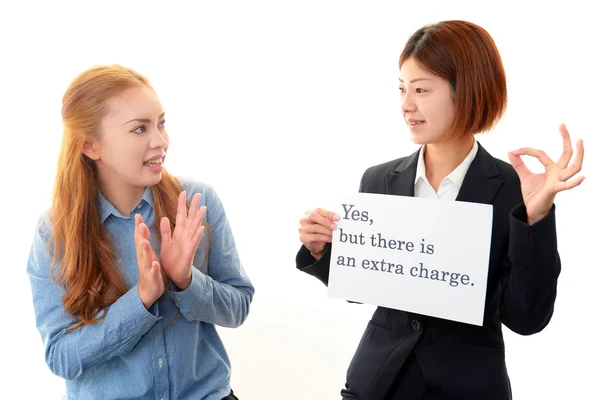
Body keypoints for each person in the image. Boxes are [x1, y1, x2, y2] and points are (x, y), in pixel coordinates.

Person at [296, 20, 584, 400]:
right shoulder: (379, 179)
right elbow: (365, 285)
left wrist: (536, 218)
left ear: (465, 92)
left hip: (467, 388)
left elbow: (526, 318)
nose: (406, 105)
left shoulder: (514, 188)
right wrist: (324, 251)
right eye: (401, 89)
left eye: (421, 89)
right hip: (377, 383)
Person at [27, 65, 254, 400]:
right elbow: (61, 357)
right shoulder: (55, 233)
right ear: (91, 145)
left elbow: (238, 307)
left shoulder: (195, 202)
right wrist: (141, 299)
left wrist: (185, 281)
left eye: (161, 124)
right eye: (139, 129)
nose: (160, 141)